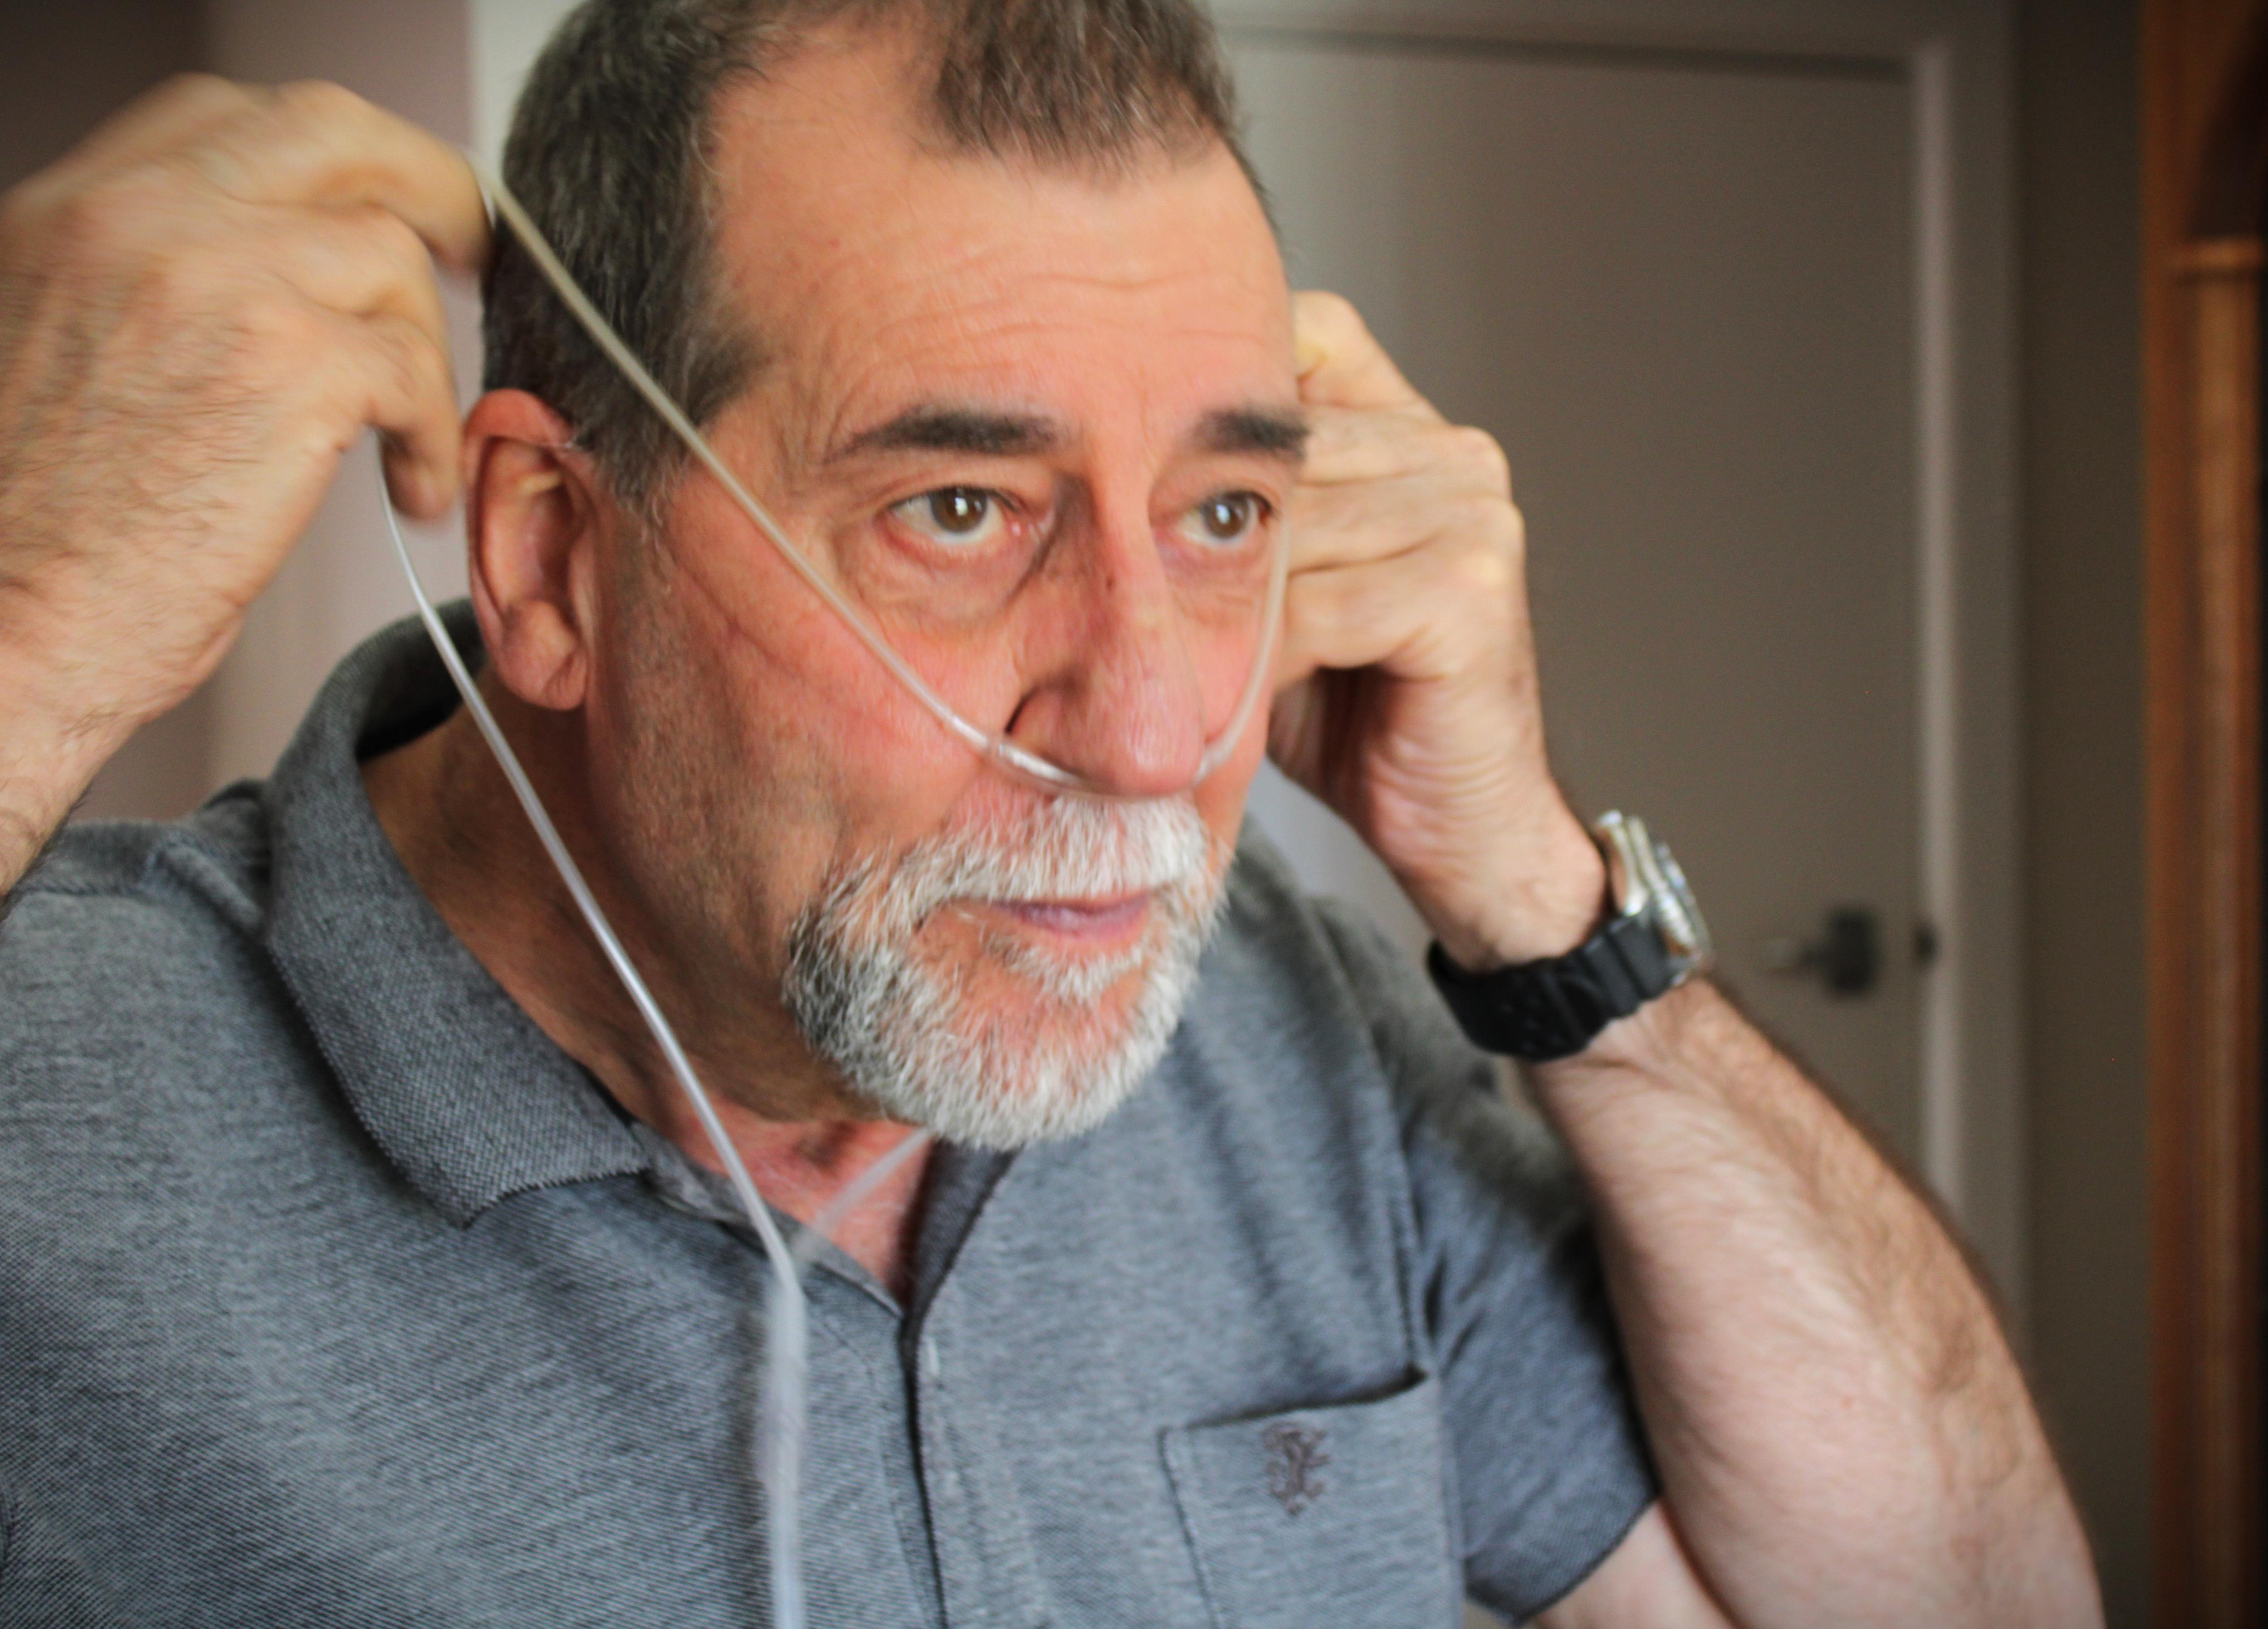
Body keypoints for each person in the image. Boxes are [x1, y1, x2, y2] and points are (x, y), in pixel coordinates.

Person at [0, 1, 2098, 1624]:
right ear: (553, 553)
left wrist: (1540, 907)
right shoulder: (67, 1083)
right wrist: (26, 638)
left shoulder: (1273, 1020)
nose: (1155, 725)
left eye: (1218, 512)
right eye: (958, 509)